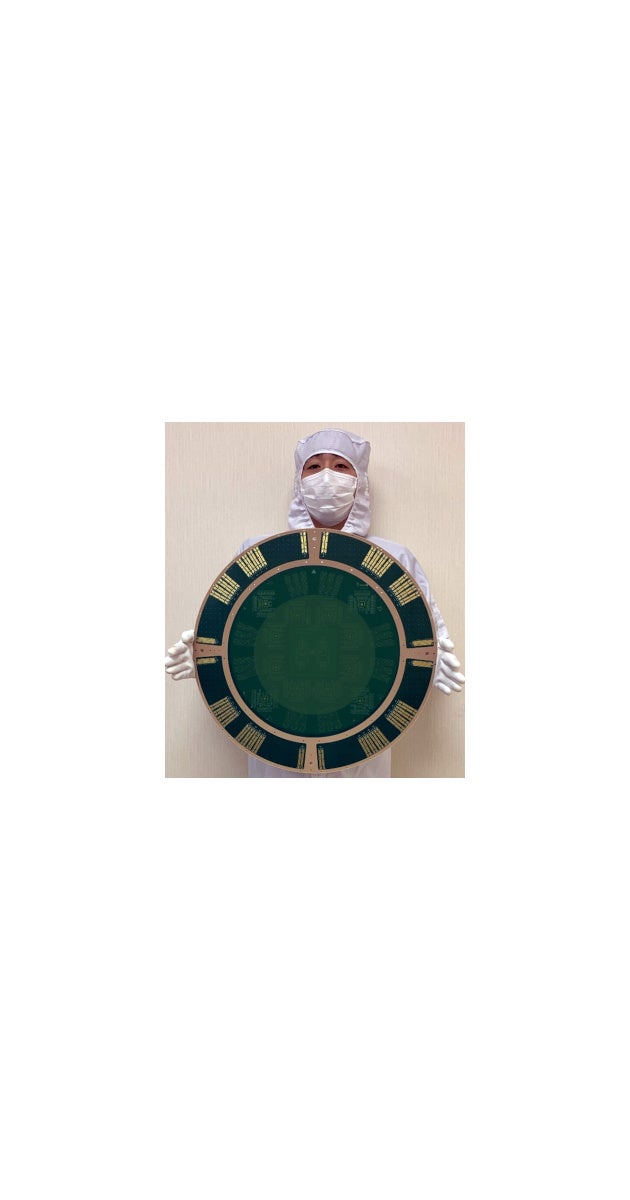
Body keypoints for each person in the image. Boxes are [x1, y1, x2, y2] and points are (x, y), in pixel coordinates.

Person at [166, 428, 464, 778]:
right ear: (299, 480)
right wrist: (206, 657)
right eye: (314, 467)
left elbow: (423, 638)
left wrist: (431, 661)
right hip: (277, 740)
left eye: (340, 466)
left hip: (359, 740)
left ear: (360, 480)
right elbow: (240, 632)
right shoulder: (260, 553)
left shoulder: (393, 559)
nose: (326, 476)